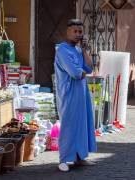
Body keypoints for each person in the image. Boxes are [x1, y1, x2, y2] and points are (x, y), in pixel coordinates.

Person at [54, 19, 97, 172]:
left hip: (82, 93)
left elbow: (90, 69)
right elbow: (76, 73)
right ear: (68, 32)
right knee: (69, 126)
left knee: (82, 125)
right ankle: (63, 159)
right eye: (75, 31)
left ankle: (80, 158)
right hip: (68, 94)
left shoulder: (79, 51)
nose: (78, 34)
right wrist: (82, 73)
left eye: (80, 32)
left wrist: (85, 51)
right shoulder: (62, 50)